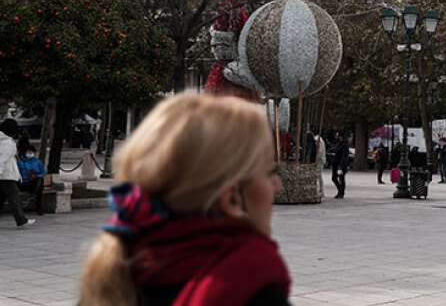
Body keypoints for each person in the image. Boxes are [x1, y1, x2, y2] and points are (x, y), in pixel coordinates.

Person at [78, 94, 290, 305]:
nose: (277, 185)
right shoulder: (252, 287)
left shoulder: (113, 274)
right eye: (269, 172)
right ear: (231, 198)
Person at [0, 119, 35, 229]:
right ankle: (21, 221)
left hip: (4, 175)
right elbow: (2, 160)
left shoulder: (2, 141)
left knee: (1, 198)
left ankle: (21, 220)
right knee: (14, 198)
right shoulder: (8, 143)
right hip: (7, 175)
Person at [17, 144, 47, 215]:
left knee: (39, 181)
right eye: (28, 152)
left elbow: (43, 173)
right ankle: (39, 208)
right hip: (24, 184)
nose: (29, 153)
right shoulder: (20, 162)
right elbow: (17, 173)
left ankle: (33, 195)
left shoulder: (38, 162)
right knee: (39, 187)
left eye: (31, 152)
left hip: (35, 182)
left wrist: (36, 176)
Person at [331, 132, 350, 199]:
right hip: (336, 164)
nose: (336, 137)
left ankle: (341, 192)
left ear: (340, 136)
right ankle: (340, 190)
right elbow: (335, 149)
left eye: (337, 136)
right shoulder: (339, 143)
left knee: (341, 178)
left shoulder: (345, 144)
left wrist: (341, 165)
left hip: (341, 165)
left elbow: (344, 156)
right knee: (334, 178)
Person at [312, 132, 326, 197]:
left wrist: (316, 159)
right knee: (319, 175)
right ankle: (320, 190)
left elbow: (319, 151)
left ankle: (320, 190)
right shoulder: (320, 140)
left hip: (319, 160)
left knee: (318, 175)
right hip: (321, 159)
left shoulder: (317, 140)